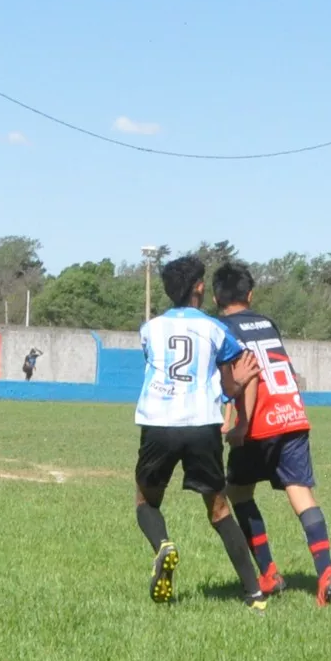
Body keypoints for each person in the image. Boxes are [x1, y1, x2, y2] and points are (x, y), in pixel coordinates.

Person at [132, 256, 266, 612]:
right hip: (201, 423)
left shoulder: (149, 329)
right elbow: (229, 386)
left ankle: (163, 545)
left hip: (159, 422)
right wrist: (240, 382)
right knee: (219, 509)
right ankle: (254, 593)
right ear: (200, 287)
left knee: (146, 502)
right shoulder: (215, 329)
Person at [214, 262, 331, 608]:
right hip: (293, 413)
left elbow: (245, 375)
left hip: (260, 420)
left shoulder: (221, 328)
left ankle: (268, 572)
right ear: (251, 295)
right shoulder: (267, 323)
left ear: (215, 297)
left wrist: (240, 423)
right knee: (301, 494)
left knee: (238, 492)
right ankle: (326, 572)